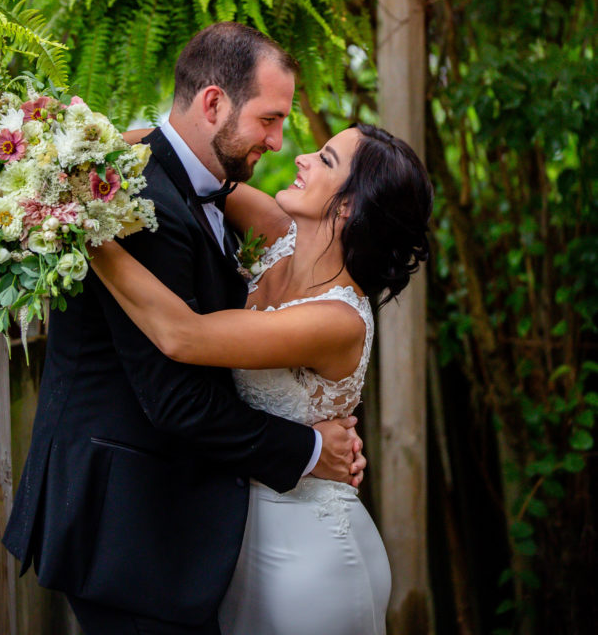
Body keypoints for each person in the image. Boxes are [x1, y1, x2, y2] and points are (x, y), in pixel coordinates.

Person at [3, 23, 365, 635]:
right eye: (269, 120)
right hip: (128, 524)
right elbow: (175, 395)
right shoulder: (137, 200)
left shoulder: (194, 183)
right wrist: (307, 449)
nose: (279, 142)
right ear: (213, 103)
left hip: (161, 527)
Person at [91, 121, 434, 635]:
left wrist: (80, 230)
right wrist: (76, 147)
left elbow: (182, 336)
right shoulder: (279, 232)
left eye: (325, 160)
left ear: (348, 207)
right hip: (237, 536)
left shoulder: (336, 319)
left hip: (312, 555)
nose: (301, 158)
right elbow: (183, 158)